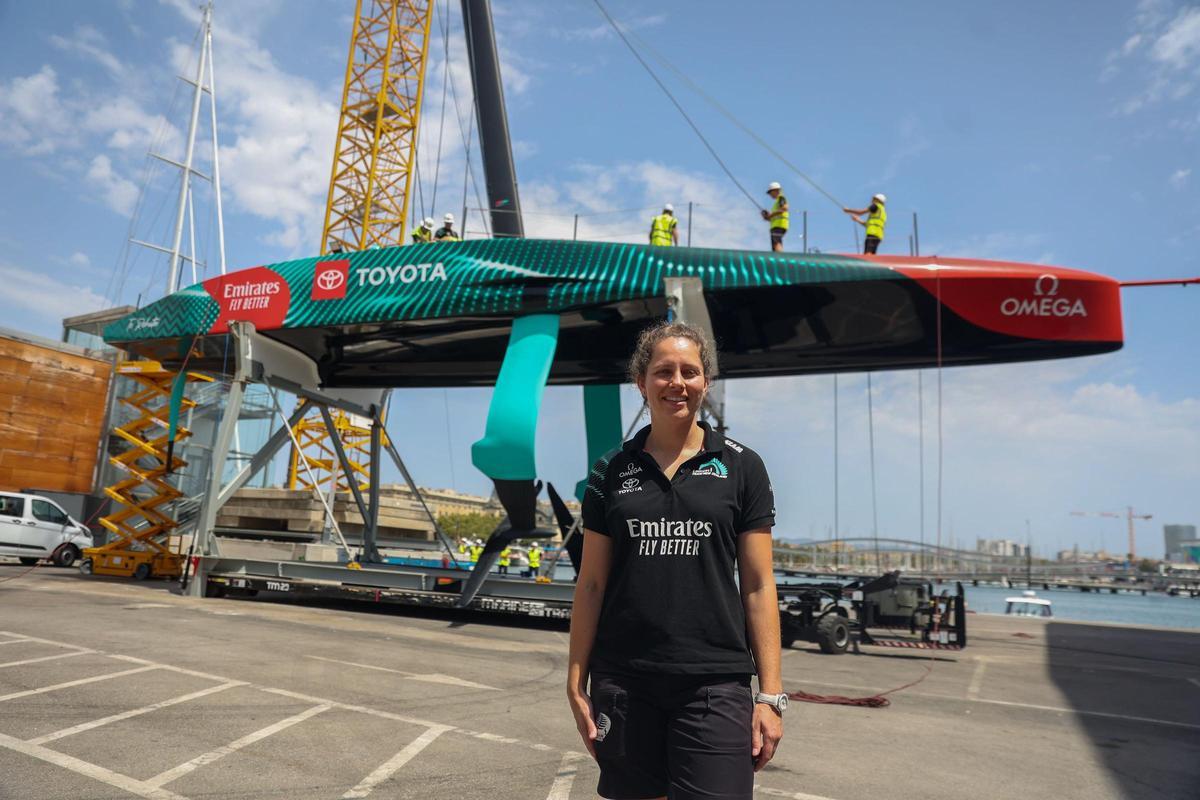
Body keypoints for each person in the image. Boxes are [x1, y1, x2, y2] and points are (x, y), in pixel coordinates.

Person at [567, 320, 785, 800]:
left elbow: (757, 584)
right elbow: (591, 585)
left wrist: (770, 695)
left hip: (715, 682)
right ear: (641, 382)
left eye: (690, 371)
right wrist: (575, 681)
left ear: (706, 381)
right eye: (663, 371)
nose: (677, 383)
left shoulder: (741, 466)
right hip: (625, 679)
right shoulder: (611, 470)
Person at [761, 181, 788, 252]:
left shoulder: (781, 198)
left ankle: (780, 259)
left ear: (776, 190)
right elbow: (775, 216)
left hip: (779, 225)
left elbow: (784, 208)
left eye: (770, 192)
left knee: (776, 242)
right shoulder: (777, 202)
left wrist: (770, 215)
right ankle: (778, 258)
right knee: (775, 244)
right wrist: (767, 217)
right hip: (776, 226)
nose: (770, 194)